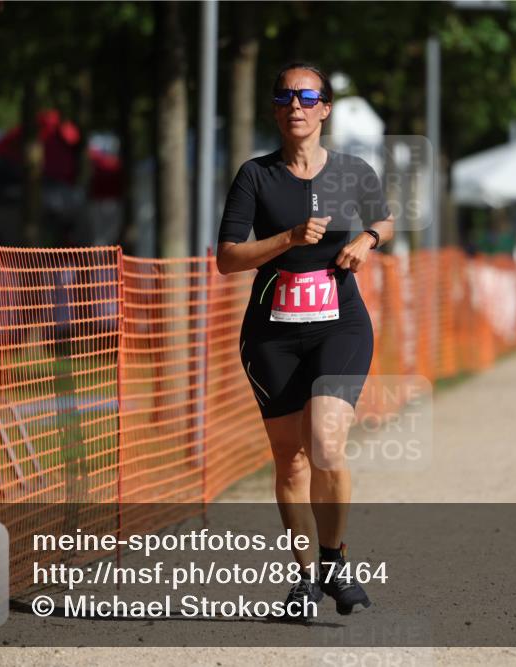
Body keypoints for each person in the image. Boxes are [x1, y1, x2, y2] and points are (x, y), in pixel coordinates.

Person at [216, 63, 394, 620]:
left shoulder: (353, 171)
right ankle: (303, 582)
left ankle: (336, 564)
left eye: (308, 95)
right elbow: (226, 259)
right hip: (272, 334)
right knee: (290, 463)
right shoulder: (255, 176)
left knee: (326, 443)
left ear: (325, 108)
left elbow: (385, 220)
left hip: (340, 324)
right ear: (275, 109)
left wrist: (367, 239)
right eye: (285, 96)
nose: (296, 104)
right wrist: (287, 239)